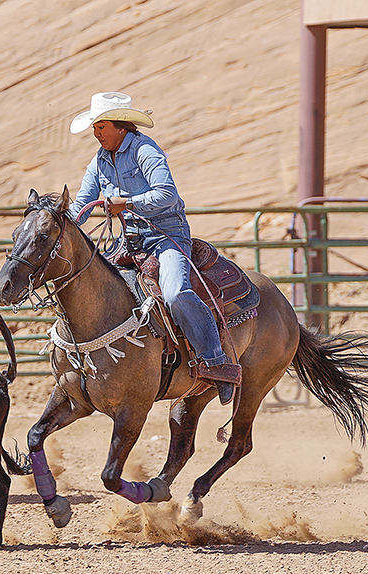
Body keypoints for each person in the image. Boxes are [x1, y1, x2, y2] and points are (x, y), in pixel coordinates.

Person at [67, 91, 240, 404]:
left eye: (101, 127)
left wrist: (127, 203)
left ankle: (216, 362)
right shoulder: (99, 161)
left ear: (121, 126)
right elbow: (82, 202)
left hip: (167, 236)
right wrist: (59, 222)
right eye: (94, 128)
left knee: (175, 293)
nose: (96, 134)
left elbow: (167, 194)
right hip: (129, 240)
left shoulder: (145, 150)